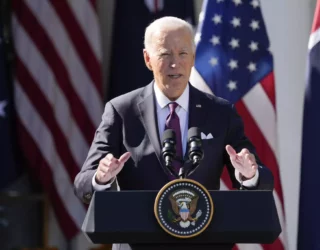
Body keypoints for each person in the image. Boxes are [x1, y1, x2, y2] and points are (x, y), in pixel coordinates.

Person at [74, 16, 274, 250]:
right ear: (148, 59)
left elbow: (262, 179)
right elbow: (83, 183)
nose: (174, 64)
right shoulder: (121, 111)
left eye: (182, 54)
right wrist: (101, 177)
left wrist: (249, 176)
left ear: (193, 57)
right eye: (165, 54)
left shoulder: (221, 112)